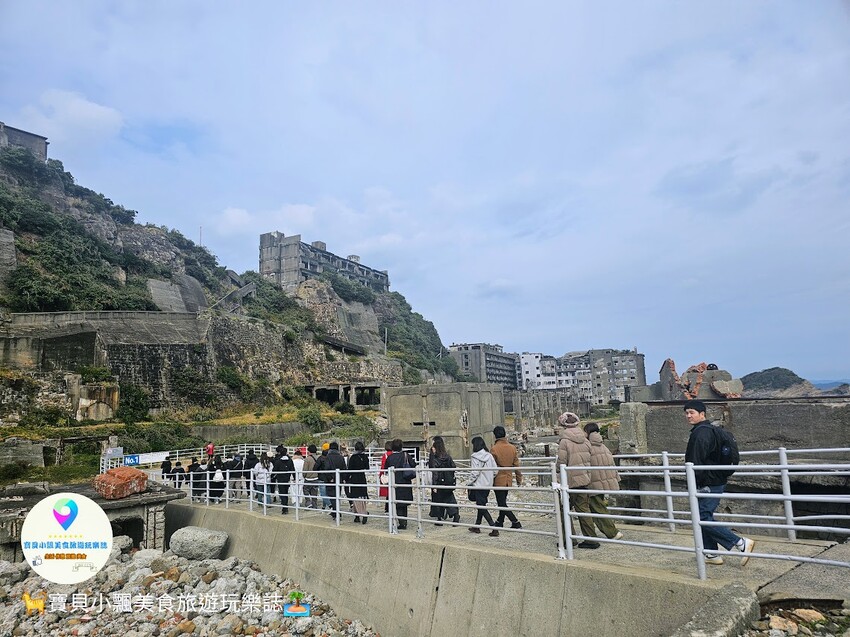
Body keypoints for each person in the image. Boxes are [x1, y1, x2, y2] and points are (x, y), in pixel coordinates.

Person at [684, 400, 755, 565]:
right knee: (704, 515)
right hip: (716, 479)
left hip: (708, 482)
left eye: (692, 412)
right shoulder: (710, 430)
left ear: (702, 414)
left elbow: (695, 462)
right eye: (686, 413)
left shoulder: (700, 433)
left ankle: (740, 543)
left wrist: (694, 483)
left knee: (701, 516)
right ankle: (711, 554)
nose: (688, 416)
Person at [556, 411, 600, 549]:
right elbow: (590, 456)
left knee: (563, 510)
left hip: (569, 481)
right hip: (584, 479)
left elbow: (561, 462)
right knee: (584, 510)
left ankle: (568, 539)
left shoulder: (565, 441)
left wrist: (557, 470)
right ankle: (591, 539)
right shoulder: (585, 440)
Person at [583, 422, 623, 541]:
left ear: (588, 432)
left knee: (598, 508)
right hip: (604, 480)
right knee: (598, 506)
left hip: (594, 482)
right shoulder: (602, 445)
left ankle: (612, 533)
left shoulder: (589, 446)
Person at [490, 425, 523, 529]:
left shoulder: (494, 449)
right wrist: (519, 479)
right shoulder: (512, 448)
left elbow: (492, 467)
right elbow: (516, 465)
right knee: (502, 501)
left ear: (495, 436)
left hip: (499, 478)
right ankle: (500, 521)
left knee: (501, 503)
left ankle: (515, 521)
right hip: (508, 478)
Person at [467, 436, 499, 536]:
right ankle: (477, 526)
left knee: (481, 507)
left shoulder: (475, 457)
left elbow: (475, 473)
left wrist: (469, 483)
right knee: (481, 505)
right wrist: (489, 478)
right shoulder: (489, 456)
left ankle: (494, 527)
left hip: (478, 485)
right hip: (487, 485)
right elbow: (495, 470)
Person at [383, 438, 415, 530]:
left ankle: (401, 522)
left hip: (394, 483)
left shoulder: (390, 457)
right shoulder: (406, 455)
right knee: (404, 504)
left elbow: (386, 470)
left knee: (397, 504)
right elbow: (413, 464)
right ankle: (404, 521)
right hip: (405, 482)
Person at [428, 436, 460, 525]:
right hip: (448, 481)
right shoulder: (447, 456)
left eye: (433, 447)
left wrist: (434, 485)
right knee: (449, 498)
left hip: (439, 482)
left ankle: (440, 518)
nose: (432, 449)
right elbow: (453, 467)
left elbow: (435, 473)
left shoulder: (435, 459)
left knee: (439, 499)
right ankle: (455, 514)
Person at [345, 441, 370, 524]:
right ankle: (362, 512)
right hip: (362, 478)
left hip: (354, 479)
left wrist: (346, 478)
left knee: (355, 497)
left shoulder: (353, 457)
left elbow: (350, 470)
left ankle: (359, 515)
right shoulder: (365, 456)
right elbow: (367, 467)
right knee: (362, 496)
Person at [323, 442, 348, 520]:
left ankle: (336, 513)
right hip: (339, 479)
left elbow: (326, 468)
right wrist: (344, 478)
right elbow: (344, 468)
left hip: (331, 480)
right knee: (337, 495)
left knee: (332, 496)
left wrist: (330, 478)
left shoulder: (328, 457)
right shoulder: (340, 457)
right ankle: (335, 512)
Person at [272, 446, 295, 514]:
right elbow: (293, 469)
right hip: (287, 479)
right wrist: (295, 477)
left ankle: (284, 507)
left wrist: (272, 476)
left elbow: (274, 470)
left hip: (280, 479)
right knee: (285, 492)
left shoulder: (278, 461)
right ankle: (285, 506)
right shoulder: (290, 460)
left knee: (282, 493)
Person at [302, 444, 320, 509]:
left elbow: (305, 470)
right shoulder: (318, 458)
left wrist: (304, 476)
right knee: (314, 493)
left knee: (305, 490)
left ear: (309, 451)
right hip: (316, 478)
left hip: (308, 478)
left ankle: (308, 503)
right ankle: (315, 505)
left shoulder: (307, 459)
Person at [378, 440, 392, 512]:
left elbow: (383, 466)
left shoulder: (385, 455)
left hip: (386, 475)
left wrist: (380, 475)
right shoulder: (393, 454)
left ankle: (387, 508)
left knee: (388, 493)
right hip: (393, 475)